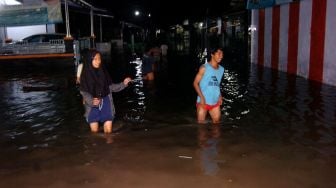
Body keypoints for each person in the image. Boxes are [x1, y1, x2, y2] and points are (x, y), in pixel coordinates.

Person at [79, 49, 132, 135]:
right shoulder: (84, 76)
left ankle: (109, 146)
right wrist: (92, 101)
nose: (98, 61)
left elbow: (111, 87)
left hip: (106, 102)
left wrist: (124, 84)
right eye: (95, 59)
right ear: (89, 59)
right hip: (92, 106)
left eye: (99, 58)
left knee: (108, 132)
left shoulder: (103, 71)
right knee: (94, 133)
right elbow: (84, 92)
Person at [193, 47, 224, 124]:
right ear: (212, 54)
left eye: (222, 54)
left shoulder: (221, 69)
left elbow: (217, 84)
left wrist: (220, 95)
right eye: (219, 54)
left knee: (217, 125)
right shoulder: (204, 68)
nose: (221, 56)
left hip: (215, 101)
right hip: (203, 102)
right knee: (201, 127)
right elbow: (195, 83)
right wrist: (202, 97)